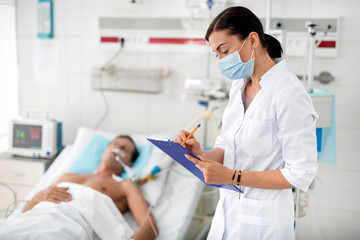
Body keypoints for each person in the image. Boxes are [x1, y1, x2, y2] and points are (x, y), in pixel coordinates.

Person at [175, 6, 318, 240]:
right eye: (217, 54)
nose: (221, 60)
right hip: (226, 214)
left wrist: (233, 177)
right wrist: (201, 153)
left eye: (224, 50)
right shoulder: (239, 86)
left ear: (252, 39)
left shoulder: (289, 94)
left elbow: (300, 173)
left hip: (264, 222)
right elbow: (229, 148)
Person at [1, 135, 158, 240]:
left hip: (69, 226)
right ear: (105, 150)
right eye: (115, 144)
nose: (116, 148)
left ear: (129, 163)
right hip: (30, 219)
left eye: (124, 149)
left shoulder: (125, 186)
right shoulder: (67, 176)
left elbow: (150, 227)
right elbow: (27, 211)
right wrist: (39, 196)